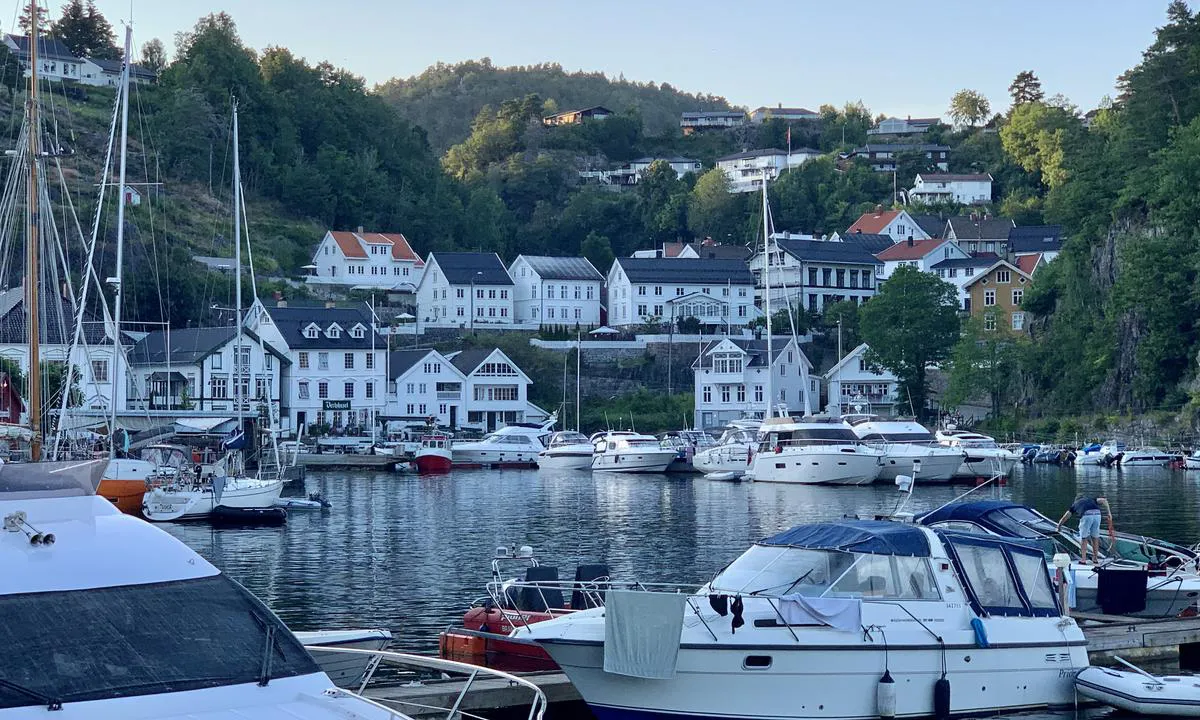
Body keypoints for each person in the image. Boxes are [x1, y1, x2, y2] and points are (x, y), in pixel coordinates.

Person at [1056, 496, 1115, 565]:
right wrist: (1109, 513)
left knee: (1084, 538)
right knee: (1095, 538)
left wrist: (1059, 526)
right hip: (1097, 514)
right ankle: (1095, 559)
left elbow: (1065, 517)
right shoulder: (1091, 499)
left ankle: (1083, 560)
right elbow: (1104, 500)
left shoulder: (1075, 505)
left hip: (1087, 515)